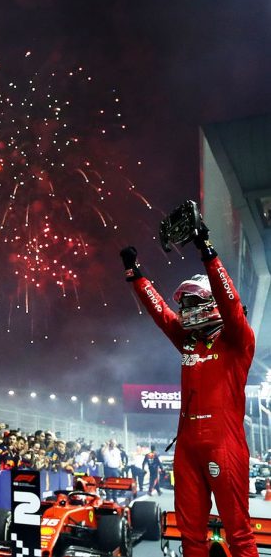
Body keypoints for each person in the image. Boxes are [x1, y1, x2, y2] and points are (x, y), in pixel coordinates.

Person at [122, 221, 257, 557]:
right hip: (187, 450)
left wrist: (208, 254)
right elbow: (161, 313)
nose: (186, 309)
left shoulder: (237, 340)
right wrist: (136, 275)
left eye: (194, 301)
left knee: (238, 533)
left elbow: (229, 301)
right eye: (185, 303)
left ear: (212, 301)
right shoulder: (188, 342)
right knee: (190, 535)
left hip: (224, 448)